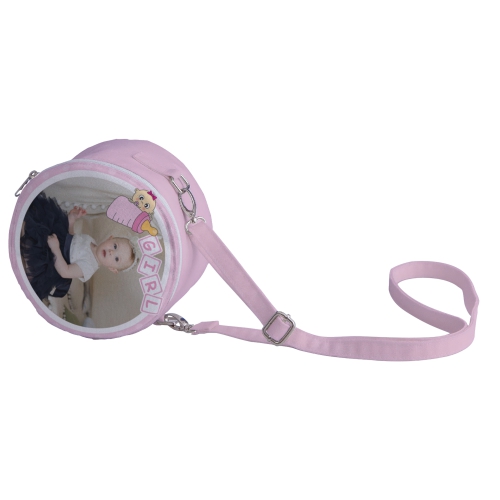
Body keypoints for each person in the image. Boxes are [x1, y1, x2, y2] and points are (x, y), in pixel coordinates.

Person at [21, 192, 136, 300]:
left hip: (55, 259)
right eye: (115, 246)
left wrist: (55, 249)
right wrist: (71, 221)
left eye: (116, 258)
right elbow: (71, 238)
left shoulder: (89, 267)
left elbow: (65, 272)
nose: (111, 252)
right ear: (109, 239)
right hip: (59, 239)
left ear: (112, 269)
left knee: (32, 251)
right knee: (39, 218)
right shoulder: (91, 240)